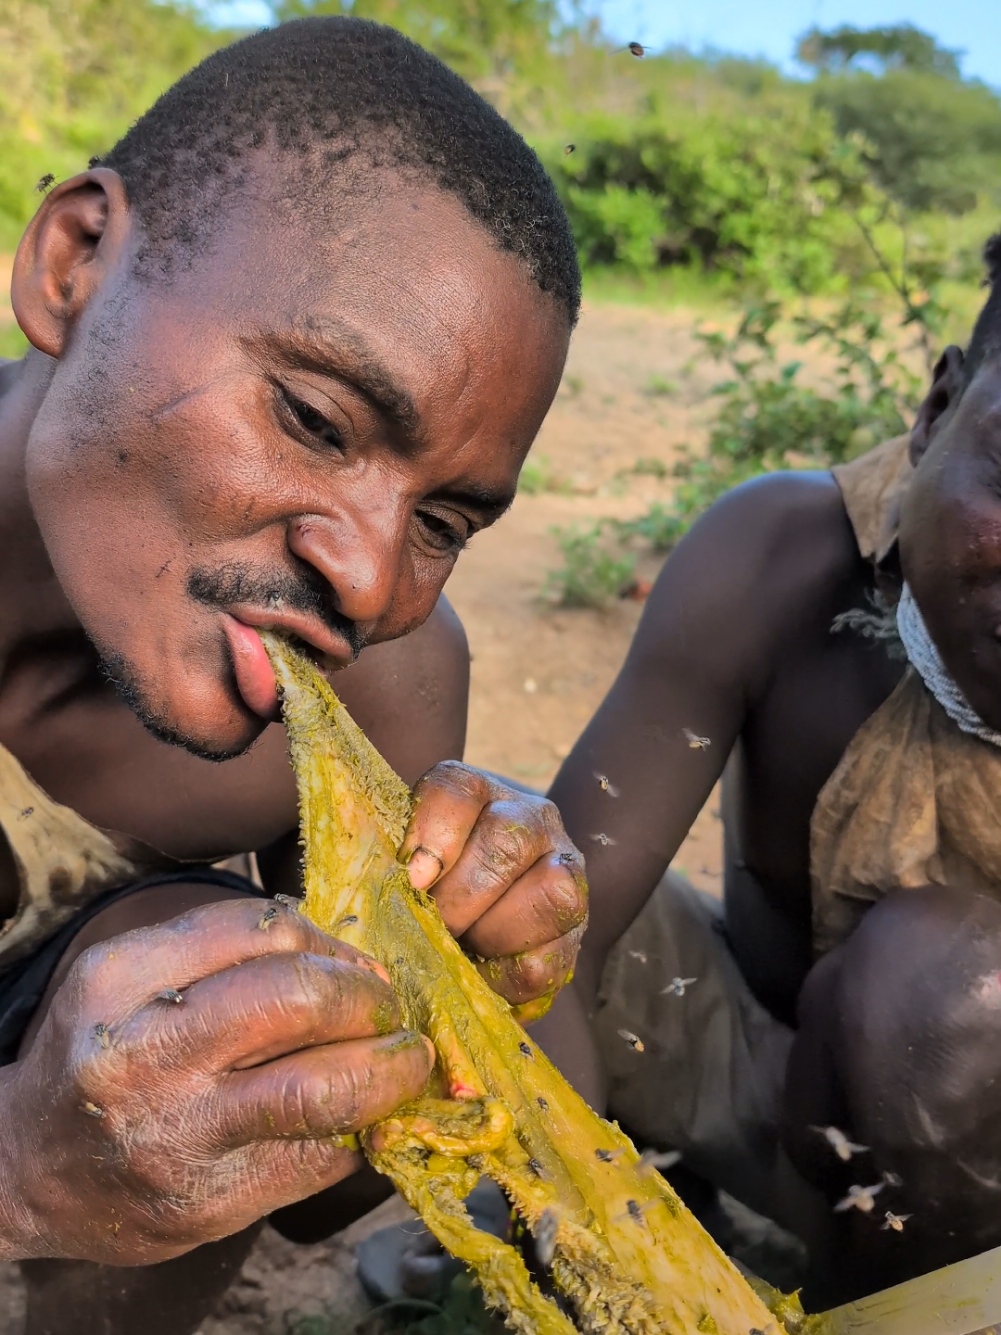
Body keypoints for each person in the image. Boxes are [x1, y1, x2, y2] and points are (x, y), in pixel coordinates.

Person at [0, 17, 588, 1334]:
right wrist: (17, 1171)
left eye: (443, 519)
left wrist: (439, 1013)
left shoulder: (388, 680)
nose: (373, 579)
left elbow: (316, 1201)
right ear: (72, 262)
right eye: (317, 421)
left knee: (192, 981)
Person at [540, 230, 1001, 1308]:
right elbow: (551, 939)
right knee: (508, 888)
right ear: (935, 410)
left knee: (937, 996)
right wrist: (585, 1226)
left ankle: (885, 1305)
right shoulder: (775, 557)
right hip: (744, 1068)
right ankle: (631, 1190)